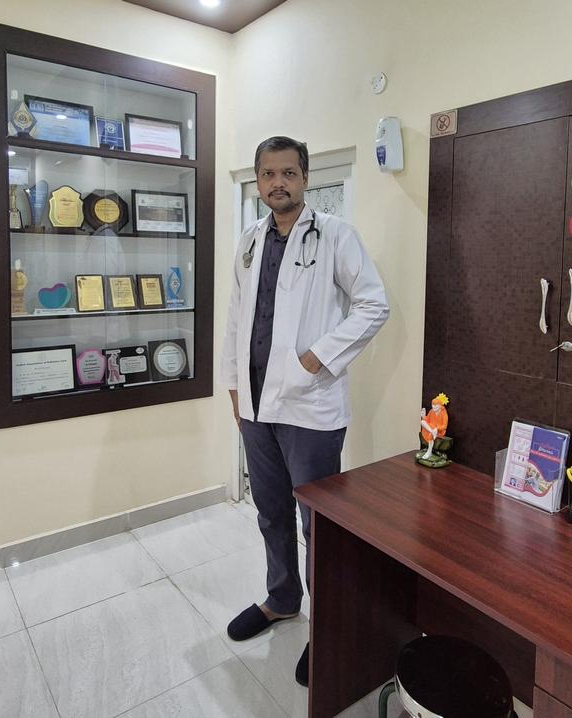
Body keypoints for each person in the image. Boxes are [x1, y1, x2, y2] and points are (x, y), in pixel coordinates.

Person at [219, 136, 389, 686]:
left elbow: (374, 304)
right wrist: (232, 384)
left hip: (310, 409)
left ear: (305, 178)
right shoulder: (249, 241)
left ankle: (329, 625)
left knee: (318, 524)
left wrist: (318, 357)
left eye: (288, 173)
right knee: (270, 511)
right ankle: (281, 599)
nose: (278, 183)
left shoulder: (336, 235)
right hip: (256, 405)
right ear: (258, 180)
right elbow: (235, 317)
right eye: (268, 174)